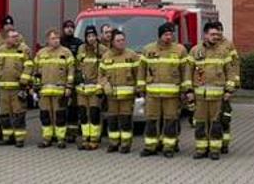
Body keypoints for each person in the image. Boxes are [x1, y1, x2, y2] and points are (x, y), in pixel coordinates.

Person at [189, 21, 240, 160]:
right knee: (200, 123)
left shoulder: (224, 52)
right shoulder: (195, 51)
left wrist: (229, 90)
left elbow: (231, 71)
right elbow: (189, 71)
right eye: (212, 34)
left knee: (216, 123)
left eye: (217, 34)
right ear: (205, 35)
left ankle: (215, 150)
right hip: (200, 96)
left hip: (218, 96)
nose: (216, 37)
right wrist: (188, 90)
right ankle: (201, 149)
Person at [140, 23, 189, 157]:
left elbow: (185, 71)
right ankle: (150, 146)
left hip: (172, 95)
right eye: (166, 34)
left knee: (170, 120)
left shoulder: (180, 50)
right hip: (152, 95)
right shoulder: (148, 50)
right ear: (159, 35)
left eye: (171, 34)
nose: (169, 37)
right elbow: (142, 71)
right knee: (151, 120)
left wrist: (186, 90)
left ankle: (169, 147)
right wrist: (141, 88)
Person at [99, 30, 141, 153]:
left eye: (123, 40)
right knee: (112, 120)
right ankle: (113, 143)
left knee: (125, 120)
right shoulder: (106, 56)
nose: (121, 42)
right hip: (111, 96)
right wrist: (105, 84)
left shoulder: (132, 55)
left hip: (127, 96)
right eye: (118, 40)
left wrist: (138, 89)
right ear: (112, 42)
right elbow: (101, 74)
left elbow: (138, 74)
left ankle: (126, 144)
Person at [0, 28, 33, 147]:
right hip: (3, 88)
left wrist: (24, 80)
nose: (16, 38)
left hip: (17, 88)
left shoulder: (24, 49)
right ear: (6, 38)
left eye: (16, 36)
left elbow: (29, 66)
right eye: (12, 37)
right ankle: (7, 137)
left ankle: (19, 139)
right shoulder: (0, 50)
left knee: (18, 114)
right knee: (4, 114)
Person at [34, 29, 75, 149]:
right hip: (44, 92)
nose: (56, 40)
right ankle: (47, 138)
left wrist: (69, 86)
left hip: (60, 91)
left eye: (57, 38)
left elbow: (71, 71)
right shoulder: (41, 53)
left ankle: (60, 139)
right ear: (48, 40)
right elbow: (36, 72)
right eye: (53, 38)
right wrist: (36, 88)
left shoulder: (66, 53)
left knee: (60, 115)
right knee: (45, 115)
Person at [73, 27, 106, 150]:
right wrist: (78, 80)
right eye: (88, 36)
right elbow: (77, 66)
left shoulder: (102, 50)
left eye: (93, 36)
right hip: (82, 88)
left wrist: (100, 85)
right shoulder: (81, 49)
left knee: (94, 114)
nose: (91, 38)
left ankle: (94, 139)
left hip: (95, 88)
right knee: (83, 114)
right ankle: (85, 138)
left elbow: (104, 70)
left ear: (96, 36)